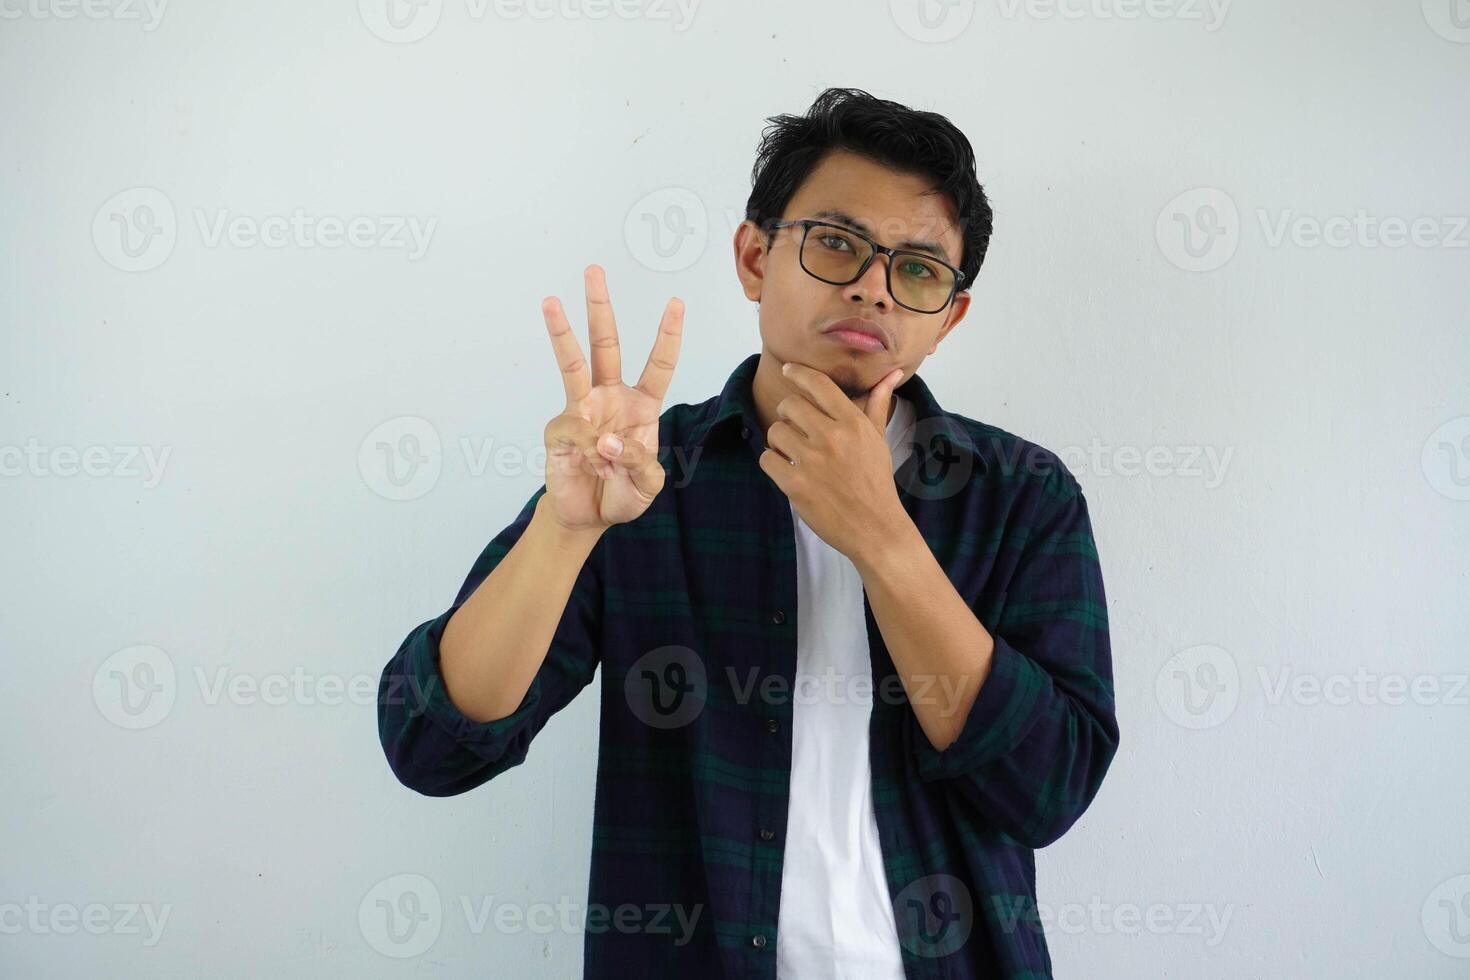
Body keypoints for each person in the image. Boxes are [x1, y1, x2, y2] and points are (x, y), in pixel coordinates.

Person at [377, 86, 1119, 979]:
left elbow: (1050, 790)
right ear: (754, 257)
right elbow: (430, 746)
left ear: (947, 315)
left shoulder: (1023, 496)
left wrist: (882, 538)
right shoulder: (645, 476)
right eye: (837, 243)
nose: (872, 287)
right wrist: (564, 529)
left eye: (918, 270)